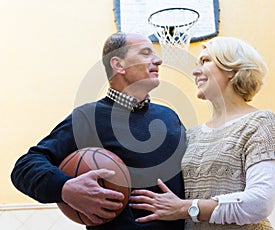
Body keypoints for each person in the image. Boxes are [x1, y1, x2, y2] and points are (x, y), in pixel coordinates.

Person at [11, 32, 187, 230]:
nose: (158, 60)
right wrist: (65, 188)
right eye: (146, 53)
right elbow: (24, 168)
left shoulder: (170, 116)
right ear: (118, 65)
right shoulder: (88, 117)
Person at [129, 36, 275, 229]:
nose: (195, 71)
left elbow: (258, 204)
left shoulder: (260, 122)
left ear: (232, 69)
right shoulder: (192, 134)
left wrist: (185, 208)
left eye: (205, 61)